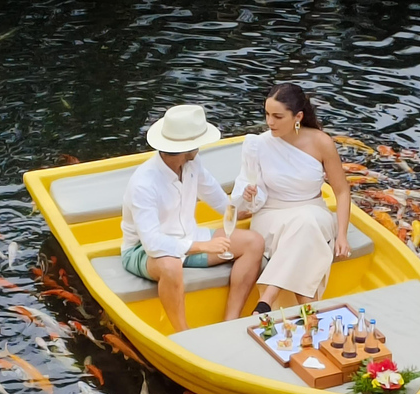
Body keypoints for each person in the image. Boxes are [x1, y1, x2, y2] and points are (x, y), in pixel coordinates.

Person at [121, 104, 265, 331]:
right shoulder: (144, 183)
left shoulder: (192, 163)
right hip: (142, 251)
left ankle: (231, 321)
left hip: (190, 238)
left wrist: (236, 210)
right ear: (186, 147)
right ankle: (184, 333)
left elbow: (215, 195)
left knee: (254, 242)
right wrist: (203, 246)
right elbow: (153, 244)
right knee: (171, 264)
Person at [230, 83, 351, 314]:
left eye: (277, 116)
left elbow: (342, 191)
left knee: (306, 222)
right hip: (270, 215)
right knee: (305, 230)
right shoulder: (258, 145)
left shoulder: (321, 142)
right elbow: (245, 199)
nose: (270, 122)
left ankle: (267, 299)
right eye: (266, 114)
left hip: (312, 211)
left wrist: (342, 235)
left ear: (298, 116)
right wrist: (249, 194)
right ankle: (309, 309)